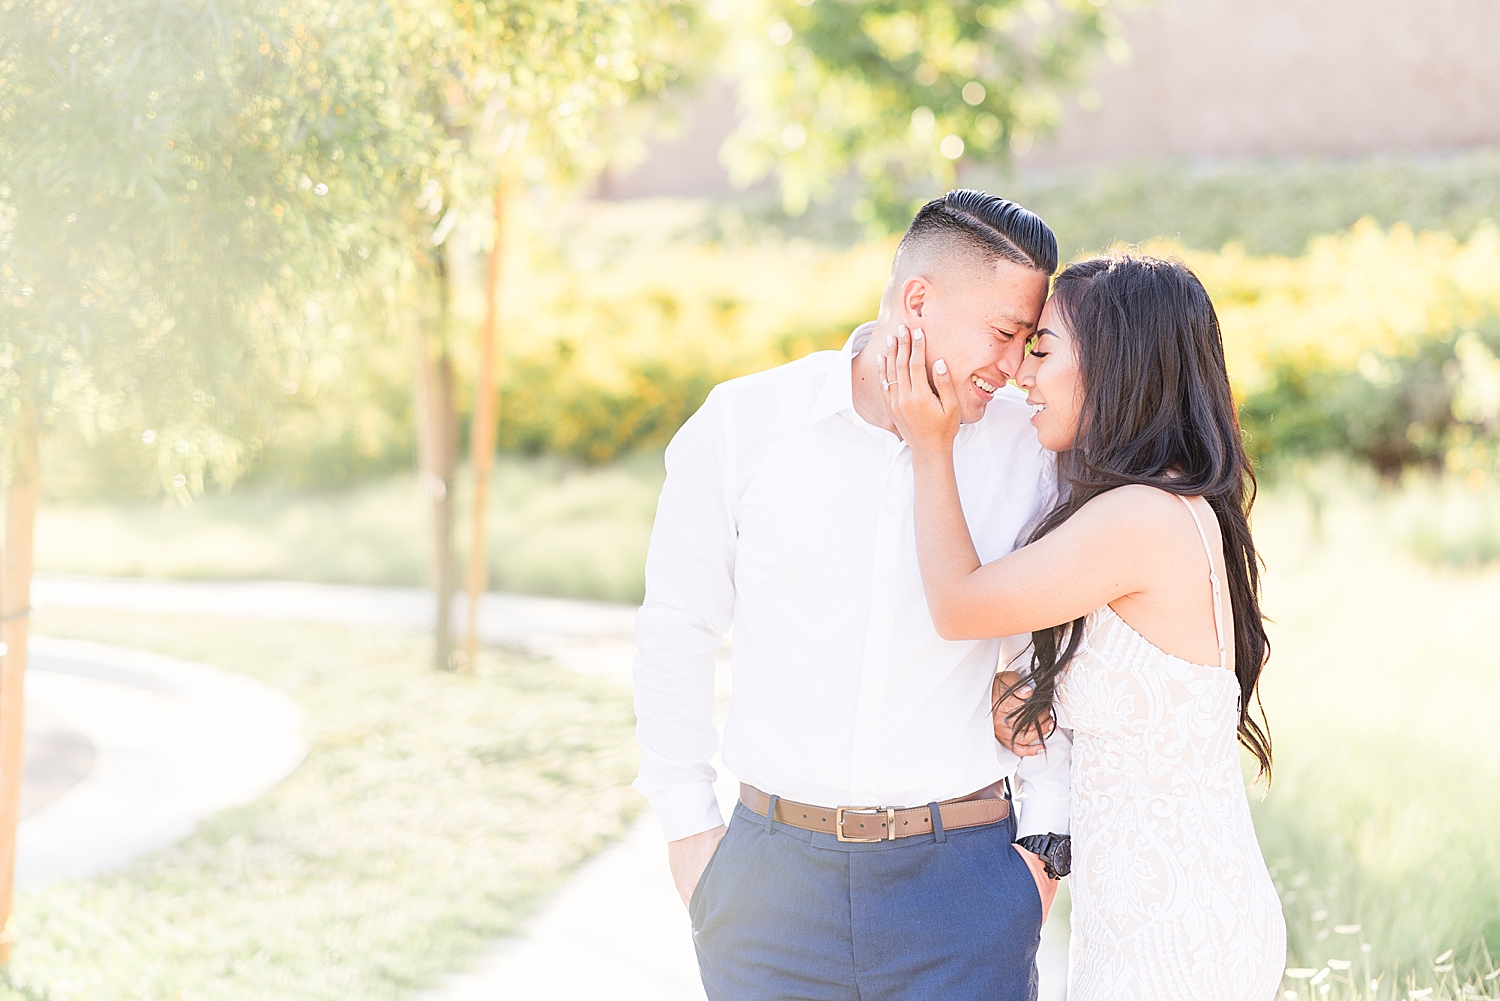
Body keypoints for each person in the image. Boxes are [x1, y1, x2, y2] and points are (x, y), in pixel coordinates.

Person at [632, 191, 1074, 1001]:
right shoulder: (743, 426)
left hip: (965, 885)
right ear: (918, 300)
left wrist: (1046, 845)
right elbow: (677, 630)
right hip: (769, 890)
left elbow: (1053, 653)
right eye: (1005, 334)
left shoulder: (1026, 448)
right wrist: (689, 832)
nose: (1014, 366)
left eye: (1029, 342)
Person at [883, 253, 1288, 1000]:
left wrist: (930, 445)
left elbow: (958, 604)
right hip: (1144, 918)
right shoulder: (1158, 505)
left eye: (1042, 348)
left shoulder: (1138, 517)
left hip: (1178, 931)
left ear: (1115, 362)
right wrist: (1040, 705)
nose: (1023, 375)